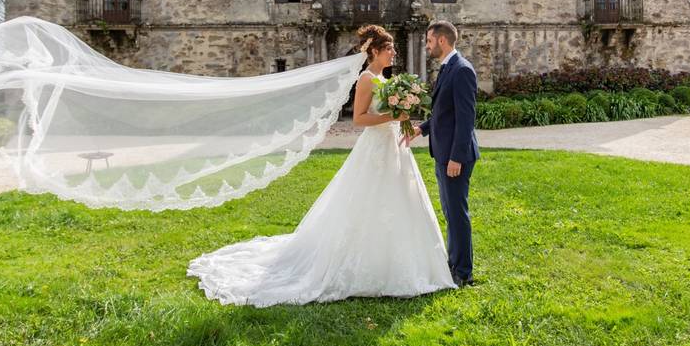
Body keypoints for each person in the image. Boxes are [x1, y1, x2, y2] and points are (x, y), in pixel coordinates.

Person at [186, 24, 456, 306]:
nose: (394, 53)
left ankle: (405, 261)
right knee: (368, 200)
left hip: (393, 148)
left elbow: (387, 112)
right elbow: (360, 119)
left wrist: (401, 115)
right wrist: (392, 117)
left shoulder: (384, 78)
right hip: (375, 147)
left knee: (400, 199)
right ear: (375, 51)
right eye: (389, 49)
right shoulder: (366, 79)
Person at [403, 20, 480, 287]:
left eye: (428, 41)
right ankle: (454, 261)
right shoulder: (447, 68)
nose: (427, 46)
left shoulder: (461, 71)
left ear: (442, 41)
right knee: (450, 211)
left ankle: (463, 272)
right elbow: (443, 114)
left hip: (455, 157)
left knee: (457, 213)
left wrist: (457, 158)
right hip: (443, 153)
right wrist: (421, 130)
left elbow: (465, 118)